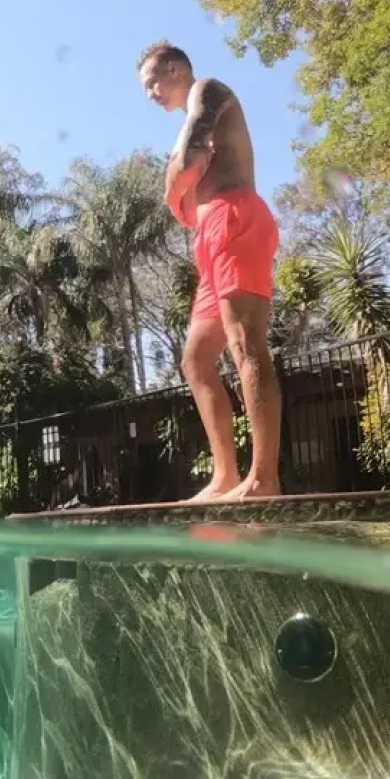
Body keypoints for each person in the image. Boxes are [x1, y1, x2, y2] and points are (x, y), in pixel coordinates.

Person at [138, 40, 281, 503]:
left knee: (245, 344)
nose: (150, 93)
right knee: (196, 360)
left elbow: (189, 160)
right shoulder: (186, 117)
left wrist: (174, 186)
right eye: (145, 87)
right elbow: (186, 173)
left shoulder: (209, 90)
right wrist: (180, 183)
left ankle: (263, 479)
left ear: (176, 69)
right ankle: (224, 475)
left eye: (153, 81)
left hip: (236, 217)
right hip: (211, 236)